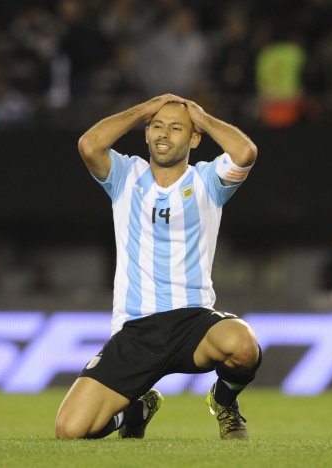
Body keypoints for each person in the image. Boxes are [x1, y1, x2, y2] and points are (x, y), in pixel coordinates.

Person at [55, 93, 261, 441]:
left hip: (192, 322)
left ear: (194, 138)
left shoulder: (207, 181)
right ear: (146, 132)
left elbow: (246, 153)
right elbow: (89, 145)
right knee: (69, 431)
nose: (164, 134)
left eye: (177, 128)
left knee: (242, 345)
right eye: (157, 126)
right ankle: (136, 410)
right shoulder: (125, 174)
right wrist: (143, 110)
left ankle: (224, 402)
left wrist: (202, 116)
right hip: (136, 329)